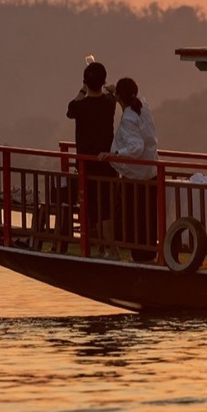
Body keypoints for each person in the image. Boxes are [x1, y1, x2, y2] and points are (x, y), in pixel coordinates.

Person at [99, 77, 159, 262]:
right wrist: (116, 91)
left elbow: (136, 147)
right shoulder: (143, 106)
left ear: (119, 97)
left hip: (136, 177)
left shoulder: (128, 119)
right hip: (151, 172)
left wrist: (115, 154)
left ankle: (139, 256)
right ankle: (148, 254)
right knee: (149, 218)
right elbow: (134, 94)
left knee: (135, 218)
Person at [67, 61, 118, 256]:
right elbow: (112, 94)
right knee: (107, 210)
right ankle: (112, 249)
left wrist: (82, 90)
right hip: (106, 164)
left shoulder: (80, 106)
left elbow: (70, 110)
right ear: (103, 81)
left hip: (85, 165)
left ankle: (97, 248)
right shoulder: (109, 103)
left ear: (85, 83)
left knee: (90, 209)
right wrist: (109, 88)